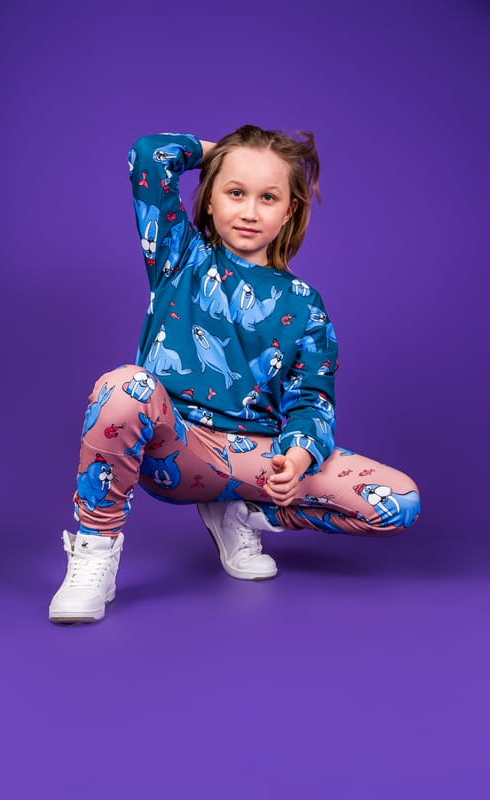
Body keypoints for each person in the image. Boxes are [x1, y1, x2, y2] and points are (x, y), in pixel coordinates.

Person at [48, 125, 421, 623]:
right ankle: (95, 551)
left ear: (289, 211)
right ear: (208, 200)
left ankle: (245, 513)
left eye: (268, 197)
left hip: (255, 459)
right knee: (123, 385)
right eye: (235, 192)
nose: (249, 211)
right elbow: (149, 155)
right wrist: (225, 154)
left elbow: (312, 399)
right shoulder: (180, 257)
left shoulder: (305, 305)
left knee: (399, 501)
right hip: (174, 447)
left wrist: (296, 456)